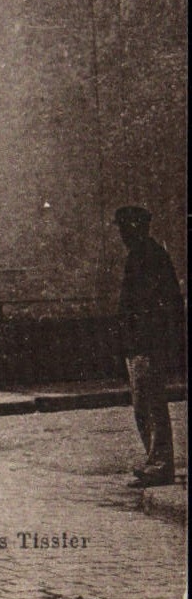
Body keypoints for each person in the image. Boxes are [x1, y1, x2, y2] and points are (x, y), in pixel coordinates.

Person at [114, 205, 184, 487]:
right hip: (138, 345)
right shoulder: (143, 256)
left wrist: (155, 342)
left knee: (151, 403)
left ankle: (160, 464)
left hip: (147, 345)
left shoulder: (149, 257)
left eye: (123, 228)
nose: (121, 234)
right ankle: (155, 460)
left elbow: (164, 306)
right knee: (143, 404)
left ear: (135, 228)